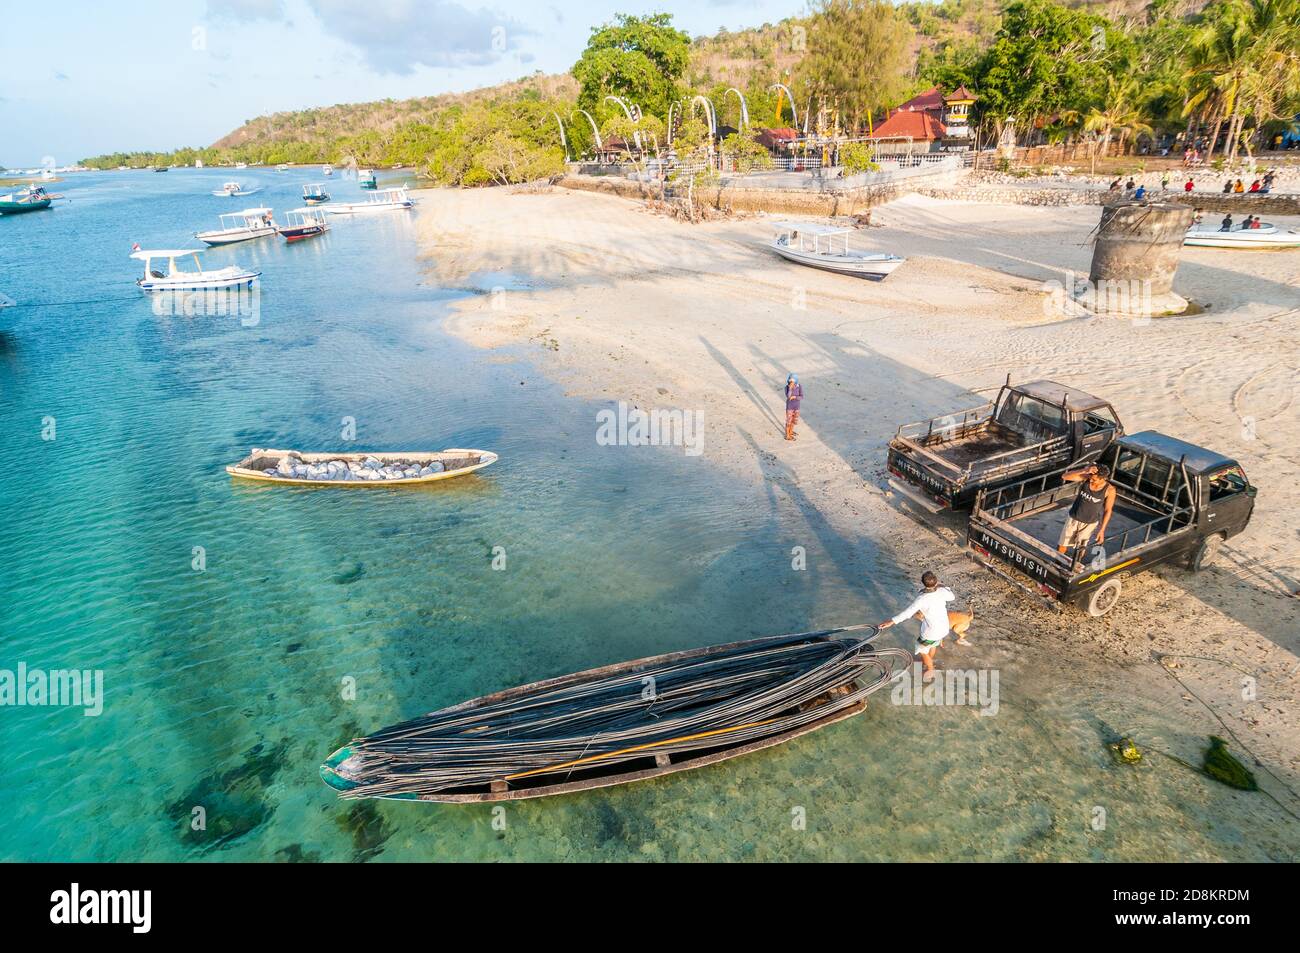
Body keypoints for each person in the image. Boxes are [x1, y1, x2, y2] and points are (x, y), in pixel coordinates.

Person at [877, 571, 973, 681]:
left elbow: (908, 613)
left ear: (923, 583)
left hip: (931, 631)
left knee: (921, 649)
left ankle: (930, 669)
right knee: (933, 645)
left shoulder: (922, 598)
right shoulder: (942, 592)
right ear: (936, 581)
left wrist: (891, 621)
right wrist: (943, 586)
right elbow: (952, 596)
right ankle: (928, 660)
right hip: (944, 629)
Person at [1057, 463, 1116, 561]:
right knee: (1062, 544)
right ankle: (1057, 562)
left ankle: (1076, 564)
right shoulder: (1087, 478)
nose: (1091, 480)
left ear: (1103, 478)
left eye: (1094, 479)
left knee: (1080, 548)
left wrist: (1102, 530)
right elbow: (1064, 476)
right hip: (1074, 517)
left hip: (1089, 523)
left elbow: (1108, 510)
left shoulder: (1110, 490)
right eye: (1091, 478)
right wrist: (1084, 470)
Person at [784, 373, 803, 442]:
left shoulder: (799, 386)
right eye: (790, 380)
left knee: (794, 420)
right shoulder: (787, 387)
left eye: (793, 380)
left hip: (797, 407)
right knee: (789, 421)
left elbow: (802, 396)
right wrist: (790, 389)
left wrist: (795, 397)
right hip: (790, 407)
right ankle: (787, 435)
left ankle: (791, 431)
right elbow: (788, 396)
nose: (792, 382)